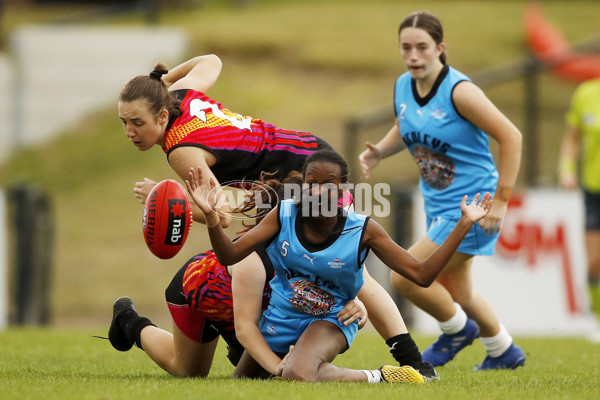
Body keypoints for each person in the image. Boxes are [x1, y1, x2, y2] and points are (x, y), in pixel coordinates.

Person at [118, 54, 438, 378]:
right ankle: (234, 342)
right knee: (273, 268)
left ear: (161, 115)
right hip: (304, 154)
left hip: (302, 177)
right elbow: (211, 61)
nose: (130, 132)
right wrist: (165, 82)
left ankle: (414, 362)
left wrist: (166, 199)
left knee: (348, 263)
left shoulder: (181, 149)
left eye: (137, 122)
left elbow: (222, 215)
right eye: (124, 123)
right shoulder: (180, 94)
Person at [187, 148, 492, 382]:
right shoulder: (284, 214)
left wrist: (464, 224)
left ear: (344, 189)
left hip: (333, 318)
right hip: (281, 317)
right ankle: (313, 364)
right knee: (244, 382)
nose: (319, 191)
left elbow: (421, 274)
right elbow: (229, 256)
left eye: (329, 184)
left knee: (295, 374)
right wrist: (212, 218)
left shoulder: (363, 230)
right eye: (312, 183)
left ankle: (378, 377)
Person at [358, 11, 526, 369]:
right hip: (439, 205)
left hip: (473, 207)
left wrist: (501, 201)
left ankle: (457, 331)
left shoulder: (460, 92)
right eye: (406, 48)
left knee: (405, 275)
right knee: (460, 290)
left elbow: (512, 136)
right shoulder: (404, 84)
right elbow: (406, 124)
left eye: (422, 47)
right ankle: (503, 351)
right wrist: (379, 153)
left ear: (440, 48)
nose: (413, 56)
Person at [105, 173, 371, 377]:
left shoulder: (307, 253)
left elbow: (322, 293)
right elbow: (245, 328)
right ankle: (129, 322)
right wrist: (278, 367)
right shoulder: (253, 259)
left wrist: (355, 307)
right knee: (188, 371)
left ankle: (239, 352)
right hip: (197, 293)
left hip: (243, 308)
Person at [558, 78, 600, 343]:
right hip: (593, 189)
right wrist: (567, 170)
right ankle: (597, 319)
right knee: (595, 261)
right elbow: (571, 140)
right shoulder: (586, 92)